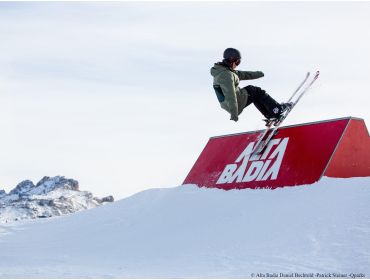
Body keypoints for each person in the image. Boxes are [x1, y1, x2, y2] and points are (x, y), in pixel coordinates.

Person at [210, 48, 292, 123]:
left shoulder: (225, 71)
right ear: (231, 59)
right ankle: (277, 110)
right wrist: (234, 113)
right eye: (237, 62)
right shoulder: (226, 75)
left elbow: (244, 74)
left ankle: (270, 115)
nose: (237, 64)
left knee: (254, 94)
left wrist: (260, 74)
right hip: (233, 104)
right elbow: (230, 94)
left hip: (230, 104)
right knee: (255, 90)